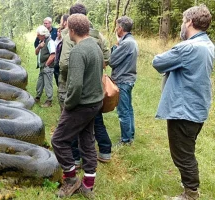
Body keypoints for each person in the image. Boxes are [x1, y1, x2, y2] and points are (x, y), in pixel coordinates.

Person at [152, 5, 214, 200]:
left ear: (189, 22)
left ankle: (191, 193)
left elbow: (158, 61)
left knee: (183, 154)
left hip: (183, 109)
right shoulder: (209, 45)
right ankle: (189, 184)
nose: (181, 25)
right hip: (197, 107)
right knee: (188, 148)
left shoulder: (187, 47)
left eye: (182, 21)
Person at [51, 14, 103, 199]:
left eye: (67, 29)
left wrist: (68, 105)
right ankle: (88, 185)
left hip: (81, 105)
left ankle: (71, 180)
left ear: (71, 30)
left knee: (58, 140)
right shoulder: (95, 46)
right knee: (87, 142)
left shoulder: (78, 52)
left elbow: (76, 85)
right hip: (95, 103)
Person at [59, 3, 112, 166]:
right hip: (95, 92)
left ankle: (73, 163)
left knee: (62, 137)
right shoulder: (97, 37)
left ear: (71, 26)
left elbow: (65, 65)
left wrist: (68, 103)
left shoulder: (73, 41)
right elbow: (107, 58)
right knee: (92, 130)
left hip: (81, 96)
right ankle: (102, 154)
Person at [109, 16, 138, 146]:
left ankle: (126, 140)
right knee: (128, 109)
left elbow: (112, 60)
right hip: (128, 79)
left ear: (120, 28)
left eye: (117, 26)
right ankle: (130, 136)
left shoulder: (126, 43)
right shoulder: (131, 41)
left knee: (123, 111)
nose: (116, 29)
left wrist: (115, 47)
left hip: (123, 80)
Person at [34, 25, 56, 108]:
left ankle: (49, 100)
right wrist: (39, 47)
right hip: (42, 67)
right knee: (40, 83)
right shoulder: (41, 42)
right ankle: (37, 97)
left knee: (48, 84)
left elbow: (53, 55)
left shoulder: (50, 42)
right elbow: (36, 53)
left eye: (38, 35)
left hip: (47, 67)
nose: (37, 36)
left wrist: (46, 65)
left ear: (43, 35)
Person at [53, 14, 69, 87]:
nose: (60, 23)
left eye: (61, 21)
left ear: (65, 22)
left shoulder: (67, 35)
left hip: (63, 68)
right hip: (58, 65)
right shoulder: (60, 33)